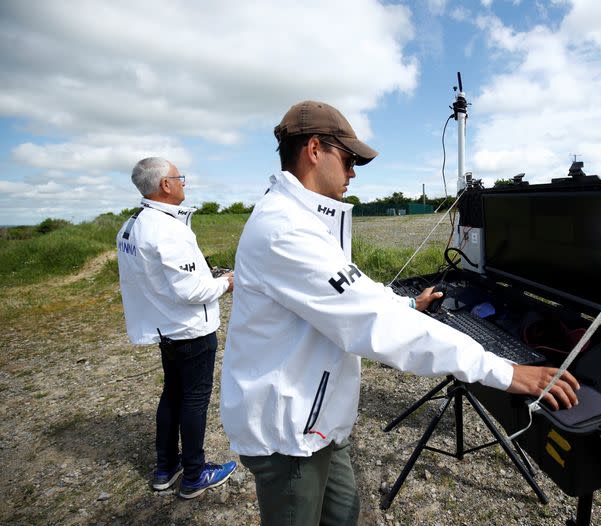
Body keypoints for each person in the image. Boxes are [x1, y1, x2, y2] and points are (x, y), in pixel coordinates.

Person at [220, 101, 580, 525]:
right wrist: (503, 371)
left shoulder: (299, 218)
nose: (353, 172)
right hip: (289, 432)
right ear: (314, 150)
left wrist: (410, 304)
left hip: (316, 420)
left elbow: (359, 292)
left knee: (344, 514)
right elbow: (372, 321)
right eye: (350, 159)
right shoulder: (285, 230)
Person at [116, 157, 237, 499]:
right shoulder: (167, 229)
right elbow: (191, 291)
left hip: (164, 326)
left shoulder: (131, 223)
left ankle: (166, 468)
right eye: (178, 177)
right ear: (165, 185)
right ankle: (195, 475)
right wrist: (226, 283)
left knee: (172, 394)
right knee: (194, 400)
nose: (184, 182)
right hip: (190, 329)